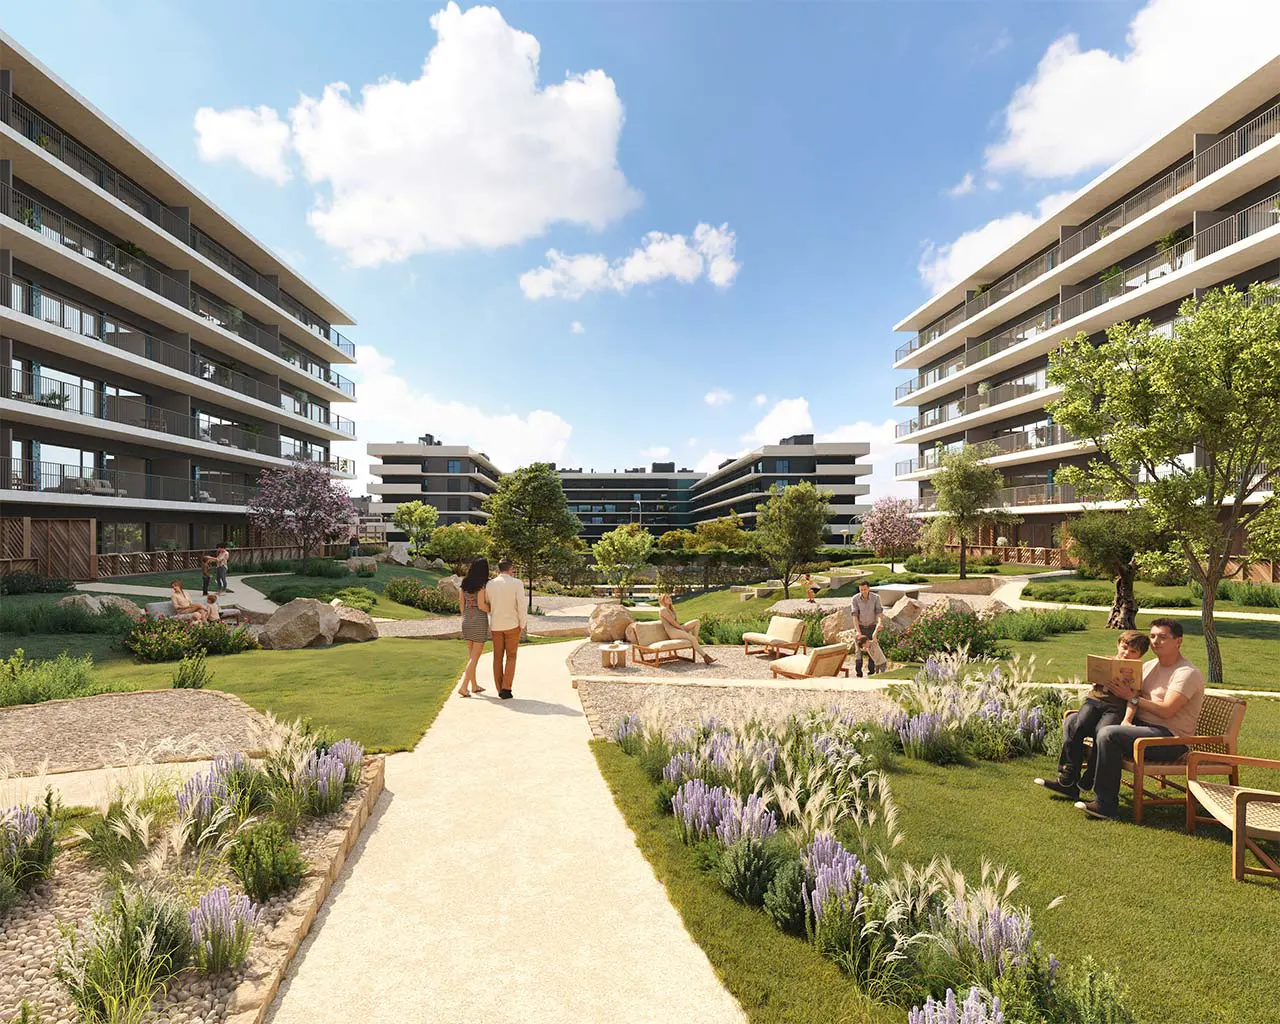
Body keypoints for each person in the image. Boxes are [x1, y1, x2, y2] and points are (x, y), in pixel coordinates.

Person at [1079, 618, 1206, 821]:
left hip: (1170, 739)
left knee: (1109, 734)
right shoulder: (1148, 666)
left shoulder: (1186, 673)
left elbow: (1167, 711)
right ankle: (1069, 782)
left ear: (1178, 641)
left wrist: (1131, 697)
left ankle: (1105, 805)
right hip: (1141, 729)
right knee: (1078, 721)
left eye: (1162, 637)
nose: (1155, 641)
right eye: (1153, 636)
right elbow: (1128, 694)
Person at [1035, 630, 1149, 798]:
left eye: (1133, 651)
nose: (1126, 653)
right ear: (1118, 645)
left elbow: (1133, 701)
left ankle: (1091, 776)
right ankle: (1068, 773)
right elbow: (1093, 680)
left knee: (1101, 734)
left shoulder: (1137, 673)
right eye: (1124, 648)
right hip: (1093, 702)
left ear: (1140, 655)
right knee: (1077, 725)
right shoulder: (1107, 662)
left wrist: (1127, 720)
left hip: (1114, 709)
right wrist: (1095, 680)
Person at [486, 558, 527, 700]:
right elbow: (521, 606)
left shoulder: (490, 584)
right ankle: (506, 688)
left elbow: (488, 604)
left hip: (496, 625)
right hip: (512, 625)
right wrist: (522, 624)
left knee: (497, 657)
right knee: (511, 656)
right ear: (511, 568)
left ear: (499, 569)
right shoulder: (517, 583)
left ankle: (499, 689)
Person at [456, 557, 491, 697]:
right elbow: (482, 605)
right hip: (479, 621)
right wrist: (492, 609)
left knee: (471, 655)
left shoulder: (464, 583)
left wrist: (465, 616)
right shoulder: (481, 585)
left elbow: (461, 603)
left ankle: (474, 685)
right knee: (475, 657)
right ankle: (464, 687)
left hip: (466, 619)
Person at [657, 593, 716, 665]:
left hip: (677, 629)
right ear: (663, 600)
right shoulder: (663, 610)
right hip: (672, 632)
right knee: (692, 638)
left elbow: (676, 623)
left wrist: (682, 629)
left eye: (670, 597)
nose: (670, 599)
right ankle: (705, 657)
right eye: (667, 598)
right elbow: (673, 623)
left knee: (696, 622)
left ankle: (695, 642)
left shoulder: (671, 609)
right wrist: (683, 630)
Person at [850, 580, 884, 677]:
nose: (863, 591)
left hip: (872, 626)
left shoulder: (876, 598)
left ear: (869, 588)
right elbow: (855, 616)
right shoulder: (855, 599)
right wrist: (858, 631)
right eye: (861, 590)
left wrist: (879, 623)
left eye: (865, 589)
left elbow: (879, 612)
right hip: (860, 626)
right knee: (858, 651)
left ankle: (871, 672)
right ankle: (858, 672)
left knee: (871, 649)